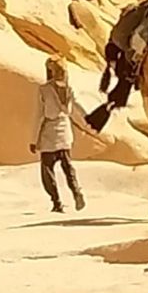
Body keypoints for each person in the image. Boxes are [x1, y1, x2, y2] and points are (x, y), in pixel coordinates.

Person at [33, 57, 94, 214]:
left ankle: (57, 202)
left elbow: (39, 116)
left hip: (49, 134)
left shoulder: (44, 90)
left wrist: (34, 140)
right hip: (65, 132)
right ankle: (77, 192)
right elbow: (78, 106)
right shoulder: (69, 89)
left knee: (47, 170)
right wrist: (91, 119)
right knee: (68, 166)